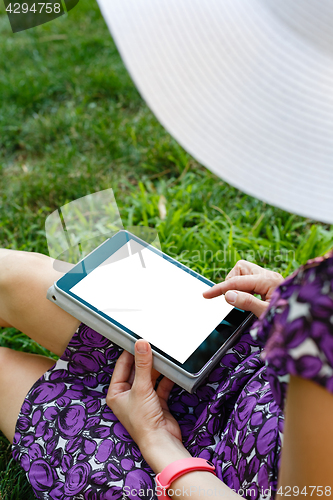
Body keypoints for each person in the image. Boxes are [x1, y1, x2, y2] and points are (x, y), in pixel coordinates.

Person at [1, 246, 333, 499]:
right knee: (15, 277)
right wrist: (289, 308)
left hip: (198, 477)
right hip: (240, 358)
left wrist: (156, 440)